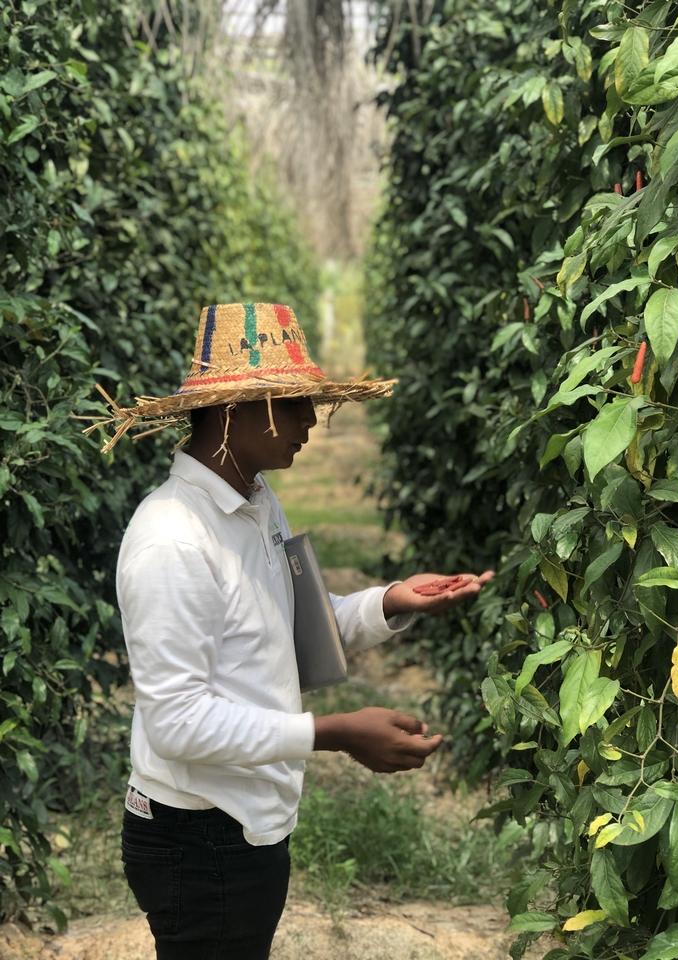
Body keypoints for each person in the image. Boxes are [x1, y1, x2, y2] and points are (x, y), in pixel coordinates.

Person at [95, 303, 493, 960]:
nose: (310, 421)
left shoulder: (254, 503)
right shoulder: (171, 540)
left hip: (242, 827)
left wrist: (393, 601)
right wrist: (329, 734)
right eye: (295, 404)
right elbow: (178, 723)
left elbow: (293, 630)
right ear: (232, 411)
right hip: (198, 842)